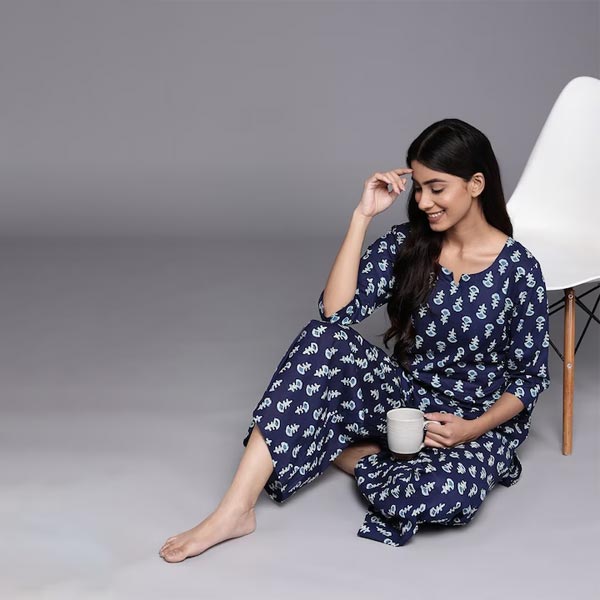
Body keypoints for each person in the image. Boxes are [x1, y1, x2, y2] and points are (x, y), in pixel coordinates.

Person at [159, 117, 551, 561]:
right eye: (418, 188)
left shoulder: (520, 270)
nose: (423, 202)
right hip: (405, 404)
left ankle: (342, 448)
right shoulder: (409, 245)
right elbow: (334, 313)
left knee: (442, 496)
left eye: (436, 188)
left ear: (476, 184)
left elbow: (529, 378)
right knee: (323, 339)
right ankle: (234, 511)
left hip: (474, 420)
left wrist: (472, 430)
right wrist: (361, 217)